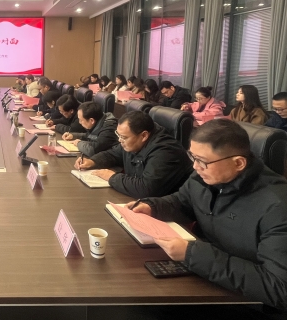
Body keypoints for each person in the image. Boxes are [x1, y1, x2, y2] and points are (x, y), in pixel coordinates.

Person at [128, 119, 287, 311]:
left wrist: (192, 254)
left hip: (247, 303)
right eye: (192, 157)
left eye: (202, 161)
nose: (195, 167)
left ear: (238, 163)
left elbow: (279, 288)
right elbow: (182, 201)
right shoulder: (205, 176)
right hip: (207, 276)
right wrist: (152, 206)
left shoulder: (277, 207)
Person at [75, 111, 193, 198]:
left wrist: (112, 177)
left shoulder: (166, 151)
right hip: (139, 200)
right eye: (118, 135)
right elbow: (113, 154)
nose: (120, 140)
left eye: (124, 137)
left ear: (144, 135)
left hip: (167, 212)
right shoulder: (133, 141)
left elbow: (147, 189)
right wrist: (92, 161)